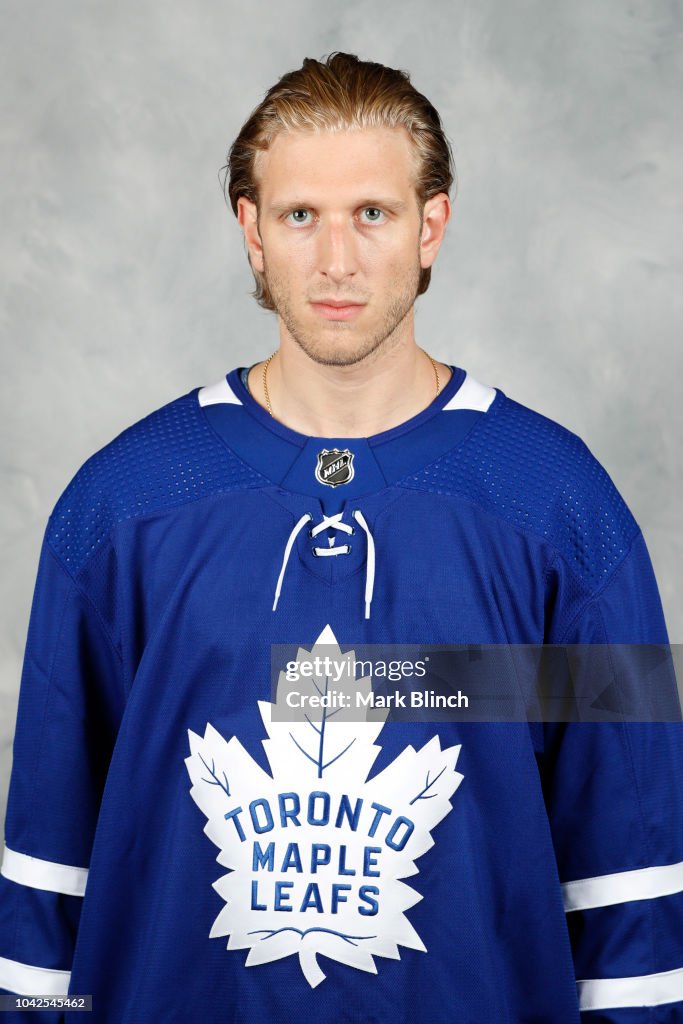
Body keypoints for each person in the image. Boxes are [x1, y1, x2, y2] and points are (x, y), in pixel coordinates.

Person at [0, 50, 681, 1024]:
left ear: (429, 224)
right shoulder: (118, 504)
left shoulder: (565, 507)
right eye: (298, 216)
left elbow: (632, 881)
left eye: (371, 212)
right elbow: (44, 881)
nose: (335, 261)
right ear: (251, 231)